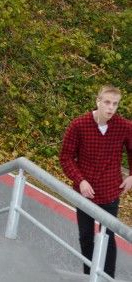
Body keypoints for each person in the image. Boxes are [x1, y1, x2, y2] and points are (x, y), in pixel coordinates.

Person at [59, 85, 132, 278]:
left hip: (110, 191)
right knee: (86, 238)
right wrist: (80, 180)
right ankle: (88, 275)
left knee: (107, 238)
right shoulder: (79, 125)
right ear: (98, 101)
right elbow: (66, 157)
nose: (110, 108)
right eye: (107, 102)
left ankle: (108, 278)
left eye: (115, 104)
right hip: (85, 194)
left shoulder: (124, 126)